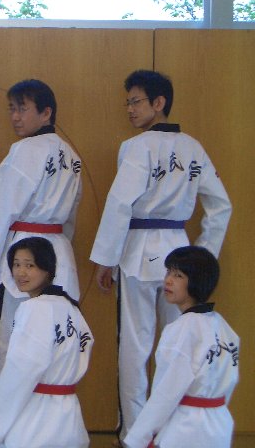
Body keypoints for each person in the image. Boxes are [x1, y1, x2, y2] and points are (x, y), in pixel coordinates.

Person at [89, 70, 232, 440]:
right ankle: (169, 433)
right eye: (128, 102)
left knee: (134, 347)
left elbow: (120, 203)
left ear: (159, 102)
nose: (130, 109)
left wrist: (106, 258)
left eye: (136, 101)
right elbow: (221, 206)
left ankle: (134, 435)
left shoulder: (138, 147)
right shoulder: (193, 148)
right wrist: (202, 258)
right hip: (179, 255)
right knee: (176, 346)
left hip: (138, 252)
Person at [0, 79, 82, 385]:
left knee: (8, 341)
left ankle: (4, 417)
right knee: (51, 343)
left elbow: (5, 208)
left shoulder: (25, 150)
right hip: (59, 252)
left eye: (23, 109)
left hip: (24, 251)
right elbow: (71, 215)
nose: (15, 117)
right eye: (12, 109)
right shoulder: (71, 155)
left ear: (46, 112)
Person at [0, 237, 93, 448]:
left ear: (47, 269)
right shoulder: (70, 307)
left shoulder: (35, 308)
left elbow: (21, 369)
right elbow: (86, 344)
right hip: (69, 417)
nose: (21, 272)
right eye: (16, 265)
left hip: (36, 419)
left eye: (30, 266)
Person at [124, 246, 239, 448]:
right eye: (168, 272)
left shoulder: (181, 330)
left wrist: (137, 439)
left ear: (196, 281)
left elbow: (166, 392)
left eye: (178, 276)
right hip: (220, 423)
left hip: (187, 429)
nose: (168, 280)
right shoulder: (223, 327)